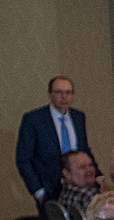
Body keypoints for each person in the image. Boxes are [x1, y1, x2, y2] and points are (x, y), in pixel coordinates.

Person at [17, 75, 92, 210]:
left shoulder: (78, 116)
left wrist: (97, 175)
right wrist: (38, 191)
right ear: (50, 94)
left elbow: (84, 149)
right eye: (59, 92)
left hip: (80, 187)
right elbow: (23, 159)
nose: (64, 97)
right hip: (50, 188)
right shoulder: (34, 119)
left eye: (68, 92)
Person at [56, 149, 102, 220]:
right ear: (67, 173)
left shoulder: (64, 193)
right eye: (82, 167)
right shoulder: (87, 194)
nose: (89, 170)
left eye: (90, 165)